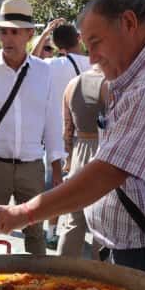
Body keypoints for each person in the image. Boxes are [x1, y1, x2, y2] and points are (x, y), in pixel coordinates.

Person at [0, 0, 145, 273]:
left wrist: (23, 212)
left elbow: (106, 173)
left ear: (129, 23)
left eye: (95, 42)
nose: (91, 58)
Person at [0, 0, 65, 255]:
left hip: (31, 166)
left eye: (15, 31)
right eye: (3, 31)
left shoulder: (44, 71)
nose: (8, 38)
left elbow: (53, 119)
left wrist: (56, 166)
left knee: (35, 233)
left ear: (30, 34)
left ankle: (39, 288)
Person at [56, 63, 107, 258]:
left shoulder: (72, 83)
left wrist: (69, 158)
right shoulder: (111, 83)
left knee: (73, 218)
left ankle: (61, 270)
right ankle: (98, 275)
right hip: (103, 149)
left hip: (79, 149)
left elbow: (67, 128)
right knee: (101, 222)